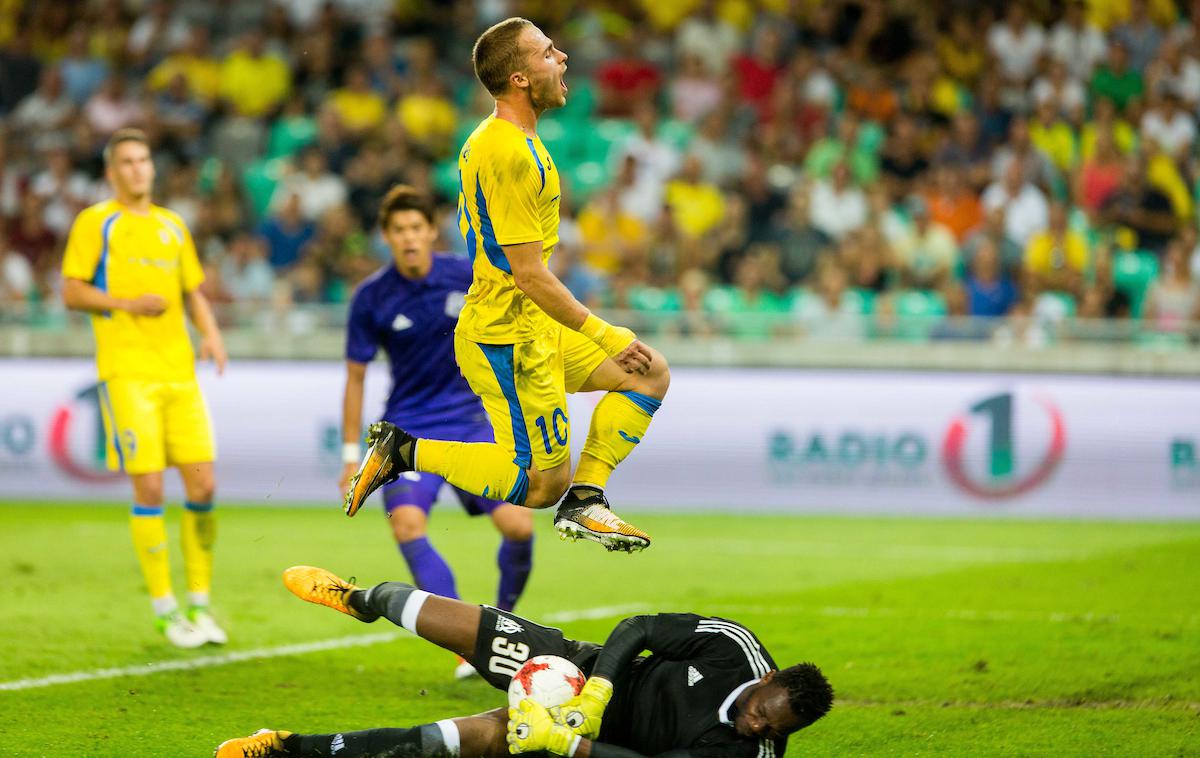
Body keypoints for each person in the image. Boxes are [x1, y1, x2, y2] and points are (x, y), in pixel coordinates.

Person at [344, 18, 671, 553]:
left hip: (534, 326)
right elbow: (529, 274)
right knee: (542, 486)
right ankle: (403, 452)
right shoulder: (511, 155)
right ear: (519, 78)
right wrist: (608, 334)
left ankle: (586, 501)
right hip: (508, 340)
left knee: (649, 373)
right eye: (548, 54)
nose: (562, 58)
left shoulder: (504, 139)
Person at [215, 566, 834, 757]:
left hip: (593, 749)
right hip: (578, 668)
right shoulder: (734, 648)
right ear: (766, 680)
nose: (758, 725)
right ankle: (360, 599)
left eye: (773, 729)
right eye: (760, 711)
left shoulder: (746, 754)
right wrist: (595, 691)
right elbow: (638, 627)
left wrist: (566, 741)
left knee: (443, 744)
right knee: (424, 609)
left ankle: (284, 748)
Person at [340, 185, 535, 678]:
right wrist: (350, 456)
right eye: (398, 230)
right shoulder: (371, 297)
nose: (408, 238)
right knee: (407, 526)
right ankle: (468, 643)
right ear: (387, 236)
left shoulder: (466, 276)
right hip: (407, 432)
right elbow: (356, 377)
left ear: (431, 232)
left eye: (416, 228)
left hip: (473, 425)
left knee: (519, 526)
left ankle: (500, 620)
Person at [60, 129, 227, 648]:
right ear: (112, 173)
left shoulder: (173, 226)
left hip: (179, 374)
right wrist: (128, 304)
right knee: (150, 488)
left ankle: (200, 603)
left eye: (144, 159)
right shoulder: (96, 222)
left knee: (202, 487)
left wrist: (212, 334)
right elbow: (70, 290)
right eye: (127, 162)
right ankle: (164, 608)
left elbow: (191, 291)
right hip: (128, 373)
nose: (138, 169)